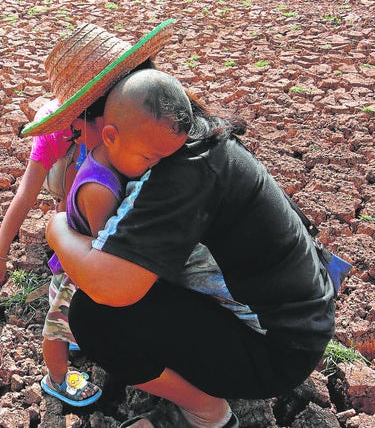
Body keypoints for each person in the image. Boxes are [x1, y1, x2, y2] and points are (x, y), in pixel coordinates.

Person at [40, 68, 336, 428]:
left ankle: (205, 413)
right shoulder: (192, 138)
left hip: (278, 350)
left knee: (94, 317)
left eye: (78, 123)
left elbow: (111, 285)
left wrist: (55, 230)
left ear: (108, 123)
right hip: (300, 319)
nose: (77, 136)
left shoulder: (174, 171)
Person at [0, 21, 176, 406]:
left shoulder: (143, 116)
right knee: (66, 316)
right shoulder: (64, 135)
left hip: (102, 215)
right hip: (84, 207)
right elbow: (25, 193)